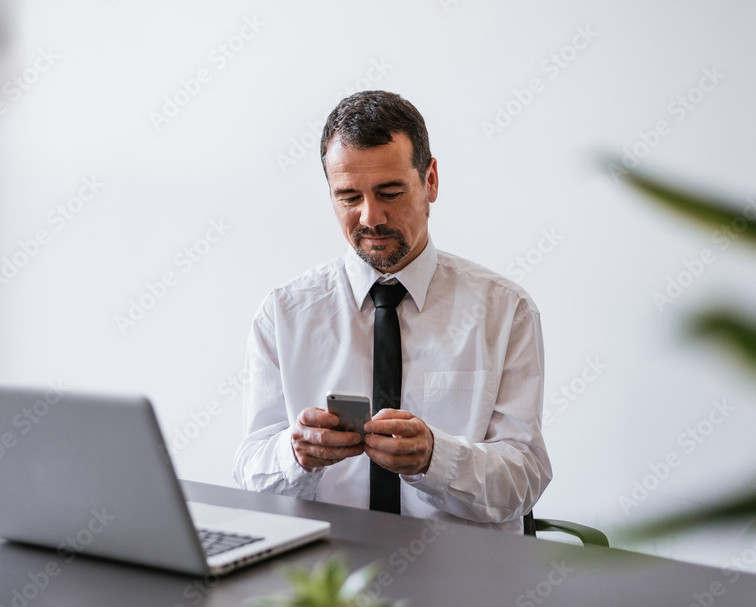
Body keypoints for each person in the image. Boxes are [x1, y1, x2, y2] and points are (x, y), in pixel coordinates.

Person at [233, 90, 551, 532]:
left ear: (431, 180)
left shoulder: (505, 311)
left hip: (459, 578)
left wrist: (436, 458)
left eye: (390, 192)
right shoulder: (284, 314)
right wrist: (295, 454)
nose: (370, 217)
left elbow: (523, 481)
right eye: (348, 197)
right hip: (328, 579)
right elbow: (250, 475)